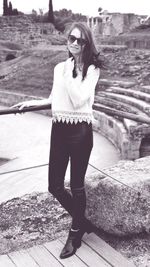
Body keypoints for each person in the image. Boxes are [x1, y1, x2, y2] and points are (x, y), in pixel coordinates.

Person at [12, 22, 104, 259]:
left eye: (80, 40)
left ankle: (75, 233)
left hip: (81, 132)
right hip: (59, 129)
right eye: (71, 38)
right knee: (54, 185)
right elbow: (55, 99)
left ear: (86, 44)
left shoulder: (92, 70)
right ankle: (82, 222)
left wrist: (71, 68)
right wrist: (30, 104)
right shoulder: (58, 68)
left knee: (76, 186)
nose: (74, 43)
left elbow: (77, 99)